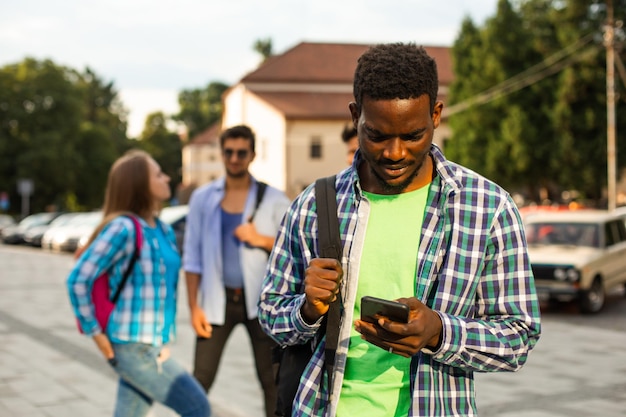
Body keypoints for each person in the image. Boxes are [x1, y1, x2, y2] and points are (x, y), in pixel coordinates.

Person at [258, 43, 541, 417]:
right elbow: (270, 314)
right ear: (355, 116)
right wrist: (308, 310)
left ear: (436, 115)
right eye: (377, 135)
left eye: (412, 136)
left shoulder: (487, 208)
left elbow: (518, 337)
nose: (394, 153)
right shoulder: (314, 204)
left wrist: (439, 331)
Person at [67, 150, 210, 417]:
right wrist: (95, 334)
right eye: (158, 174)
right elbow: (78, 279)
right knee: (197, 406)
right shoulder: (123, 228)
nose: (167, 177)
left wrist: (162, 340)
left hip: (152, 345)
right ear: (140, 185)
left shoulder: (163, 229)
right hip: (132, 346)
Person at [183, 124, 290, 417]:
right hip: (217, 301)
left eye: (241, 152)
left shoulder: (273, 199)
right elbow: (192, 257)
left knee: (272, 382)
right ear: (221, 153)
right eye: (228, 152)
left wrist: (260, 239)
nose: (234, 158)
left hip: (261, 303)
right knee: (200, 379)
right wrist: (194, 307)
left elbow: (294, 249)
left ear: (252, 154)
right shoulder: (203, 198)